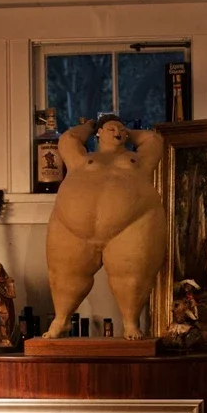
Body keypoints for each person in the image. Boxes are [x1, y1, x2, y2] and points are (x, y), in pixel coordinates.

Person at [43, 114, 166, 340]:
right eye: (111, 128)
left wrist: (129, 130)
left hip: (133, 224)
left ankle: (130, 323)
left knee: (133, 276)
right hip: (72, 227)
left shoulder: (138, 160)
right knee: (64, 275)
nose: (117, 132)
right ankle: (61, 320)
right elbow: (68, 139)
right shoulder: (82, 159)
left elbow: (153, 141)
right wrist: (89, 127)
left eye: (120, 129)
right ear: (99, 132)